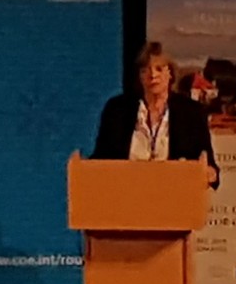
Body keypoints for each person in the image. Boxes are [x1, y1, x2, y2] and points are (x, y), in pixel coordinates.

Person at [92, 41, 219, 188]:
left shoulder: (192, 112)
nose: (152, 75)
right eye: (145, 70)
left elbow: (209, 164)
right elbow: (101, 159)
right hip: (125, 193)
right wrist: (84, 168)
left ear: (170, 74)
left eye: (159, 69)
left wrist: (209, 173)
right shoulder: (117, 109)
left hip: (174, 194)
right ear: (139, 76)